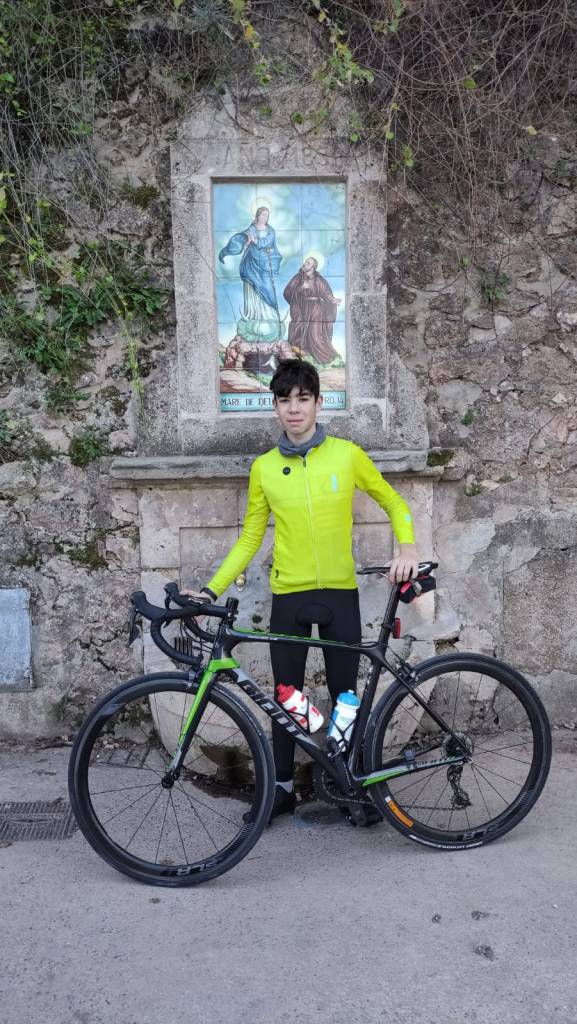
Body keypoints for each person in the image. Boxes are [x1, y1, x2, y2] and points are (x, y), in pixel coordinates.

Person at [184, 359, 419, 822]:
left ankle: (349, 785)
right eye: (285, 400)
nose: (294, 409)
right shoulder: (264, 468)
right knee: (286, 696)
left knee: (345, 694)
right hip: (289, 596)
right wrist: (210, 591)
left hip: (339, 593)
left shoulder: (347, 455)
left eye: (303, 399)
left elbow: (393, 502)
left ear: (317, 402)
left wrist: (407, 547)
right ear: (274, 406)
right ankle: (283, 789)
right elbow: (251, 538)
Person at [218, 206, 284, 345]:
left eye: (267, 215)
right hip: (251, 263)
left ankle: (270, 317)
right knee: (252, 289)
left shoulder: (271, 231)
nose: (265, 217)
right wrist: (246, 240)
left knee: (268, 289)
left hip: (265, 264)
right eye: (263, 215)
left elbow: (268, 242)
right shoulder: (251, 229)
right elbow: (243, 238)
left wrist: (257, 241)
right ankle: (253, 316)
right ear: (258, 215)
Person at [283, 257, 341, 364]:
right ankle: (302, 352)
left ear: (313, 267)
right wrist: (301, 287)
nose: (305, 264)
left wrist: (333, 300)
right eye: (305, 262)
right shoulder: (298, 278)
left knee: (315, 334)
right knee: (298, 329)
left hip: (315, 309)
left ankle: (325, 357)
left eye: (308, 263)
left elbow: (326, 292)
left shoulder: (318, 279)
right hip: (301, 308)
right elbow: (287, 292)